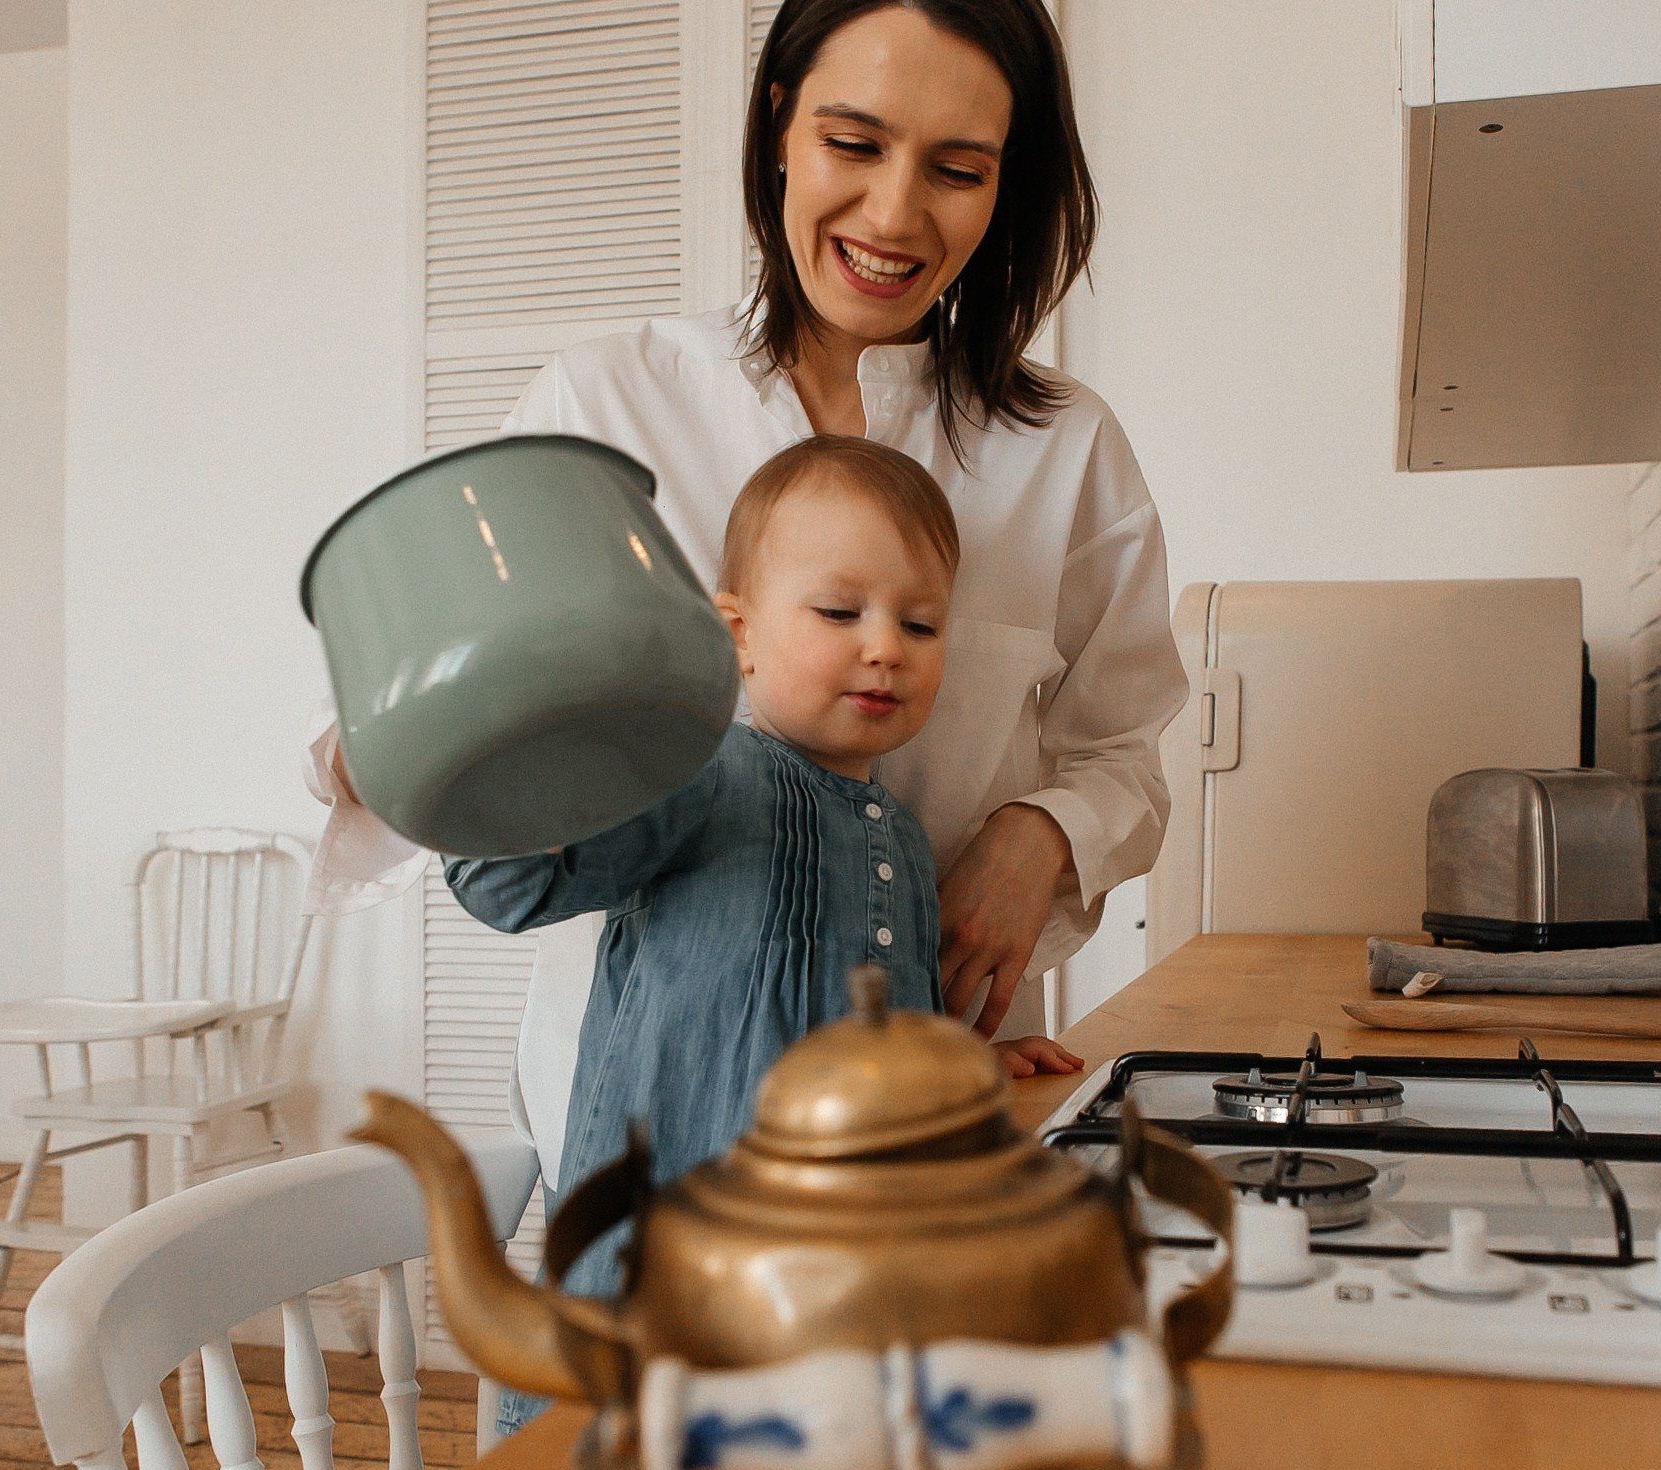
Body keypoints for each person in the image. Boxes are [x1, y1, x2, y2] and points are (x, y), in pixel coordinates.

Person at [308, 0, 1185, 1185]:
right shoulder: (605, 405)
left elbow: (1125, 748)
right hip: (649, 1126)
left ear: (1004, 182)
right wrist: (378, 754)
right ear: (779, 123)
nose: (893, 214)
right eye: (855, 143)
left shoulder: (1068, 449)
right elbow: (463, 730)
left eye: (958, 169)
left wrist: (1043, 833)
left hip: (927, 1111)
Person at [446, 439, 1081, 1292]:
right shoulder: (704, 774)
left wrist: (966, 1065)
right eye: (839, 613)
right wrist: (533, 776)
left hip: (838, 1278)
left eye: (920, 624)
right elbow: (509, 884)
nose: (887, 647)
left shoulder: (904, 840)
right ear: (738, 635)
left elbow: (892, 1030)